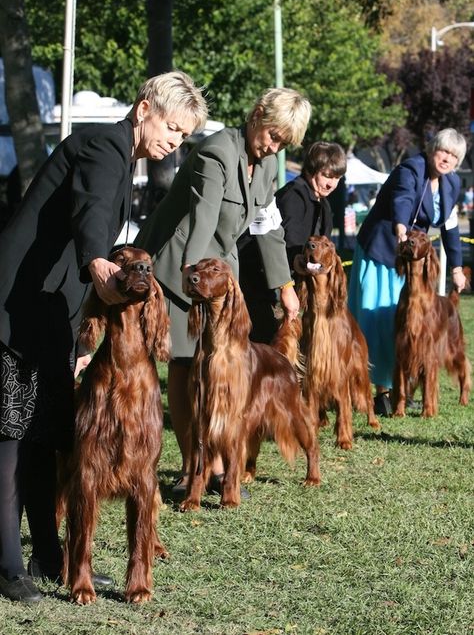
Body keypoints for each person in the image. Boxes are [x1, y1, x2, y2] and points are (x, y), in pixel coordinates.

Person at [0, 71, 208, 603]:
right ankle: (7, 566)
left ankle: (50, 555)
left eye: (184, 136)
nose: (174, 142)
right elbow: (92, 220)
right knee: (10, 437)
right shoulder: (105, 146)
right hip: (15, 307)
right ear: (144, 110)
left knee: (44, 437)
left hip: (46, 312)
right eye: (171, 127)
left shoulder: (122, 155)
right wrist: (101, 265)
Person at [135, 87, 312, 498]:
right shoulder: (216, 152)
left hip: (220, 273)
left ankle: (215, 464)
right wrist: (191, 276)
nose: (276, 146)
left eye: (284, 141)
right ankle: (193, 469)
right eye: (274, 135)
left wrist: (284, 285)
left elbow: (268, 227)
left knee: (219, 367)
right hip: (181, 263)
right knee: (184, 362)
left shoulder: (267, 165)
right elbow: (204, 217)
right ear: (256, 115)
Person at [348, 128, 468, 415]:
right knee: (377, 322)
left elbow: (450, 228)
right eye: (443, 151)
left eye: (454, 155)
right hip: (382, 249)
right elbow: (402, 198)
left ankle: (400, 389)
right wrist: (401, 227)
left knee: (404, 326)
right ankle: (379, 393)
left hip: (410, 260)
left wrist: (456, 268)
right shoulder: (410, 169)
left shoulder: (451, 184)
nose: (447, 158)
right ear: (431, 149)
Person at [238, 141, 346, 343]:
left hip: (279, 286)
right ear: (313, 169)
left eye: (337, 178)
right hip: (256, 282)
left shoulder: (322, 203)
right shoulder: (293, 196)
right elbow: (287, 247)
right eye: (327, 176)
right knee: (266, 346)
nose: (332, 183)